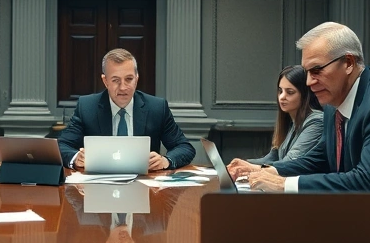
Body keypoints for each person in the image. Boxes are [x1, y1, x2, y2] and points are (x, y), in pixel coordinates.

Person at [245, 22, 370, 243]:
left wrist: (284, 185)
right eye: (306, 73)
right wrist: (270, 170)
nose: (309, 82)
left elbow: (366, 180)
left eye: (316, 70)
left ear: (348, 63)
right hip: (366, 222)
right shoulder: (334, 99)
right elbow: (322, 155)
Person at [58, 48, 195, 172]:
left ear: (136, 79)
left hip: (145, 187)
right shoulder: (87, 107)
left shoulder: (156, 108)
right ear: (105, 81)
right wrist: (76, 158)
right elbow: (62, 145)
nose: (123, 87)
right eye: (116, 80)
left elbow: (184, 147)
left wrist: (166, 161)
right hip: (98, 187)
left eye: (129, 79)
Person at [226, 65, 323, 176]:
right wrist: (242, 164)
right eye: (280, 91)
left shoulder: (317, 121)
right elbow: (272, 157)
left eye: (290, 92)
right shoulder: (291, 121)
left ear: (305, 94)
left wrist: (251, 168)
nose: (282, 97)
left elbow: (289, 162)